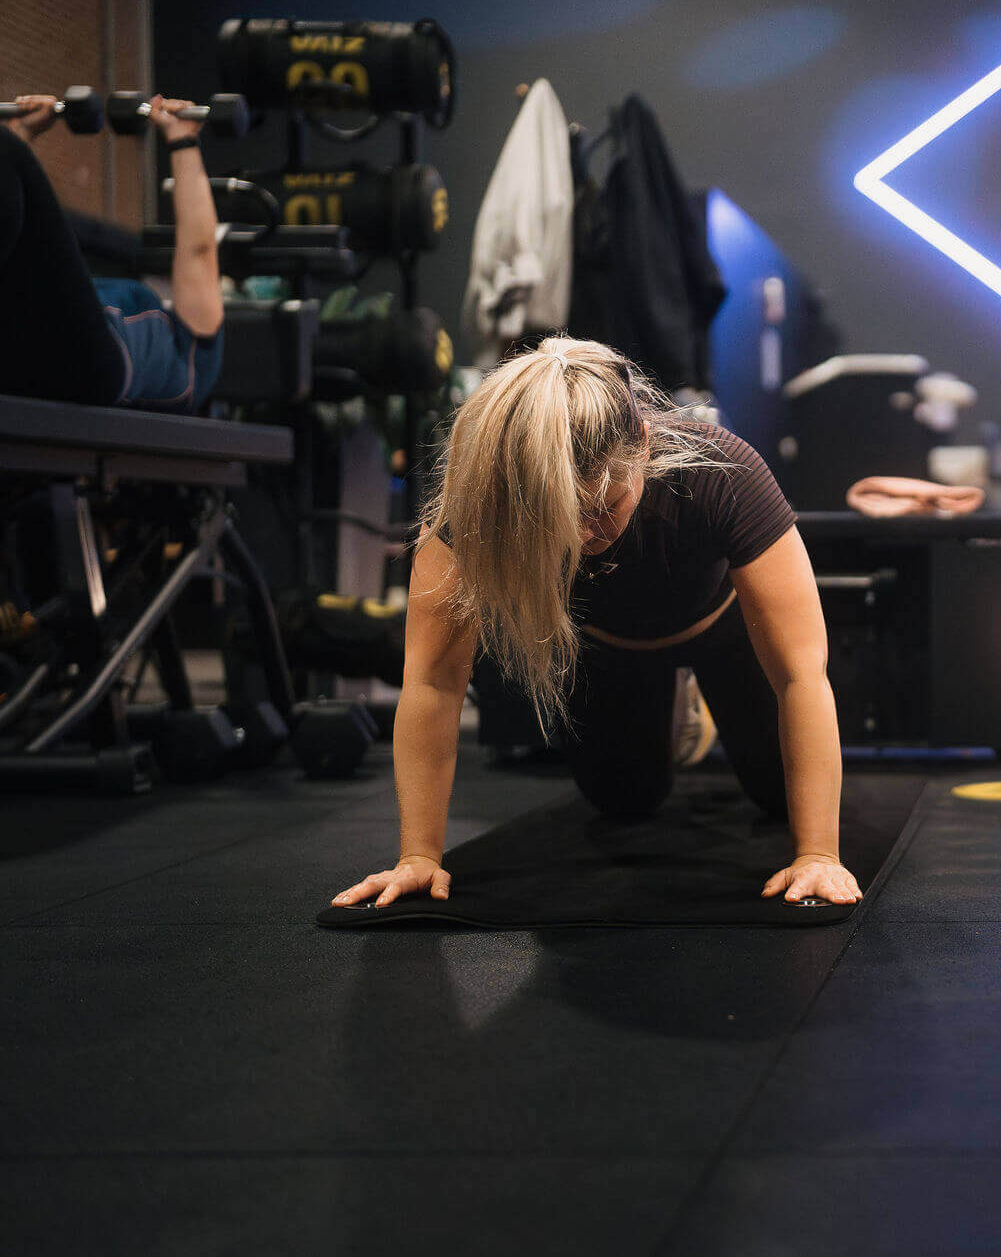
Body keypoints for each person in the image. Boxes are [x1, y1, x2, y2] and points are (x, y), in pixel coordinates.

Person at [331, 336, 861, 911]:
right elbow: (432, 682)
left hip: (724, 632)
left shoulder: (722, 472)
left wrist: (819, 856)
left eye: (605, 509)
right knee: (624, 801)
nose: (584, 537)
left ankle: (698, 708)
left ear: (642, 444)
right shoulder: (488, 497)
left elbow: (802, 675)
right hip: (606, 643)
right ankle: (679, 720)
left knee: (780, 800)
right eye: (565, 517)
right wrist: (419, 856)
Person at [2, 94, 223, 410]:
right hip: (33, 358)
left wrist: (183, 139)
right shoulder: (185, 353)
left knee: (6, 150)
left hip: (93, 367)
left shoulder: (197, 361)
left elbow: (200, 248)